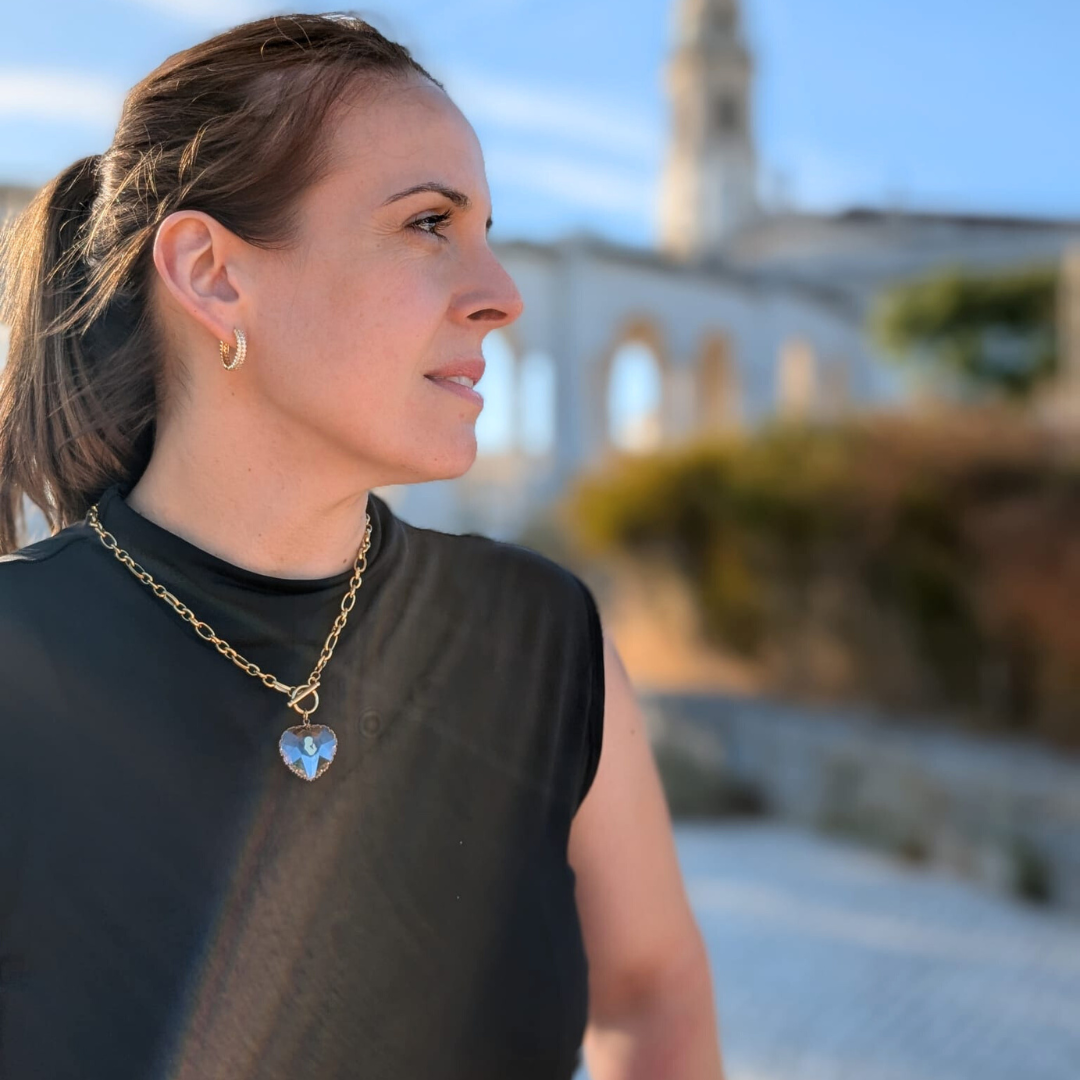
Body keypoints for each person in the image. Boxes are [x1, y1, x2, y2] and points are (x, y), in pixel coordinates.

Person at [0, 13, 723, 1080]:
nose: (502, 296)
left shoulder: (539, 637)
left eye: (485, 229)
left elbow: (653, 994)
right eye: (429, 223)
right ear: (213, 274)